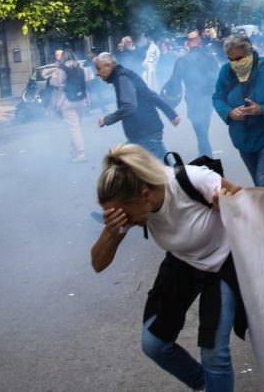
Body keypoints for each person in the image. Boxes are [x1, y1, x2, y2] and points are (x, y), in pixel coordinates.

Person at [91, 144, 246, 392]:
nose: (125, 222)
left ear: (145, 194)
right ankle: (208, 384)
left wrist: (228, 206)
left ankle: (216, 381)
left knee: (214, 352)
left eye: (126, 216)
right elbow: (98, 263)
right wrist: (110, 232)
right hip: (182, 262)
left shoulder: (193, 179)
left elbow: (247, 203)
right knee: (154, 343)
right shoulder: (128, 207)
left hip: (223, 262)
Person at [212, 34, 264, 187]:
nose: (235, 64)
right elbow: (217, 98)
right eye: (231, 59)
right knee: (259, 183)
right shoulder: (226, 71)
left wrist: (263, 110)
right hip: (242, 138)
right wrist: (229, 112)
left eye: (239, 59)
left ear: (250, 52)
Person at [95, 52, 179, 161]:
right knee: (128, 163)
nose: (97, 73)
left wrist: (107, 119)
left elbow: (129, 106)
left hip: (146, 133)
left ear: (109, 65)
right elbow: (150, 95)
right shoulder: (123, 75)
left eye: (98, 68)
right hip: (142, 133)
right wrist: (171, 114)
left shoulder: (122, 77)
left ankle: (180, 177)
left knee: (166, 168)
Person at [163, 31, 220, 158]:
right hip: (208, 99)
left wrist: (170, 101)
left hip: (193, 100)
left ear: (188, 43)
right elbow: (217, 78)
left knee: (200, 131)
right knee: (203, 128)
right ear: (199, 40)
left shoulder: (182, 60)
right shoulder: (210, 57)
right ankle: (204, 154)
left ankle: (207, 156)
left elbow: (174, 81)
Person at [49, 50, 88, 162]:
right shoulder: (80, 68)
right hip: (81, 100)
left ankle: (81, 154)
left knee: (73, 128)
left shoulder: (61, 69)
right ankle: (74, 149)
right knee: (77, 127)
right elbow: (87, 79)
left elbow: (53, 82)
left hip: (67, 101)